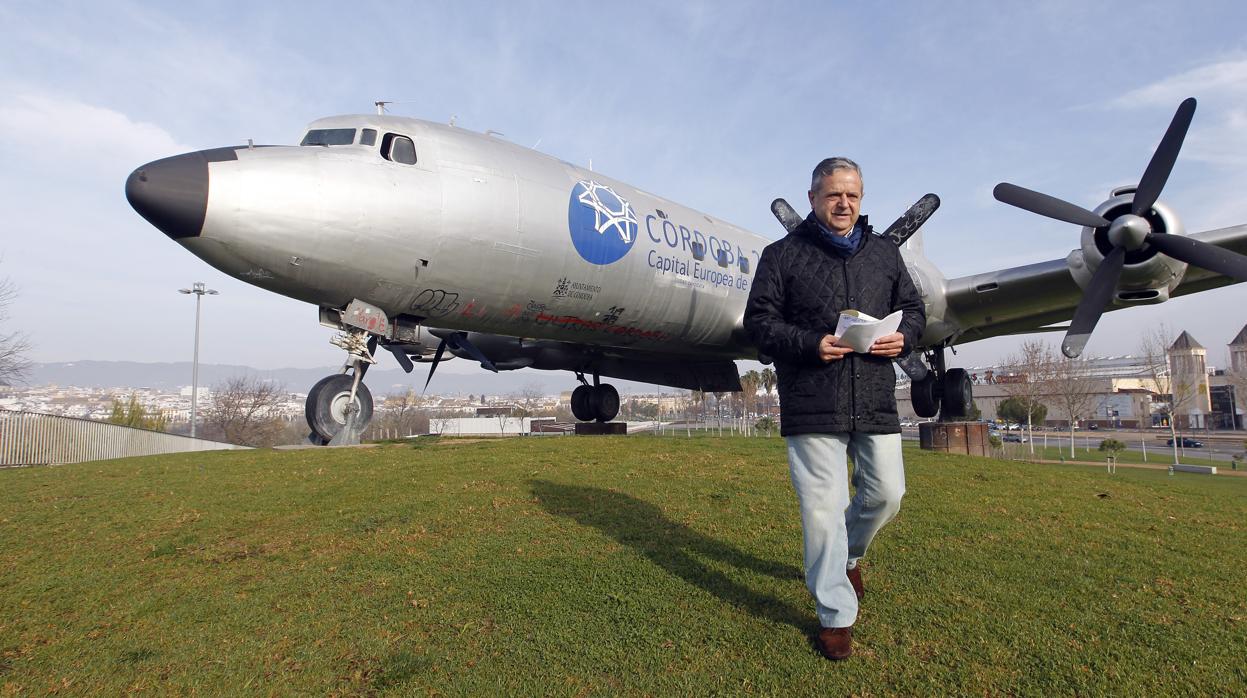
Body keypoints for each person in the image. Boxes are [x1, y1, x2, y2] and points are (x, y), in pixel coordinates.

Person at [743, 157, 925, 661]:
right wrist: (809, 343)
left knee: (888, 493)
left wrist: (904, 336)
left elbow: (914, 310)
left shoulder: (885, 253)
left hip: (873, 396)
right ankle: (835, 615)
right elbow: (758, 323)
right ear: (813, 199)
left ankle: (851, 555)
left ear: (861, 200)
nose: (843, 204)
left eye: (852, 195)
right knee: (822, 510)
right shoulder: (780, 255)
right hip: (811, 399)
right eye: (833, 195)